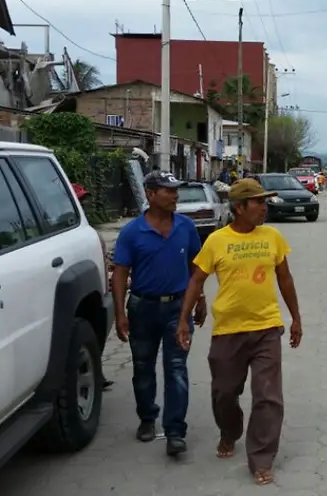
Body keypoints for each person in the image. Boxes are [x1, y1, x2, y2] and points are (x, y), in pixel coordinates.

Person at [177, 179, 302, 486]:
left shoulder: (272, 237)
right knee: (224, 393)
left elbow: (285, 279)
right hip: (228, 331)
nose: (264, 208)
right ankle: (230, 431)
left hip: (266, 328)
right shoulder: (216, 241)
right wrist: (183, 320)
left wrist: (296, 318)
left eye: (264, 202)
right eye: (258, 202)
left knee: (268, 397)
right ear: (239, 208)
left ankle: (261, 457)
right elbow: (196, 281)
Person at [112, 171, 207, 456]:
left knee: (176, 368)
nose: (175, 196)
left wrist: (200, 298)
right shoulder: (132, 232)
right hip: (143, 308)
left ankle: (175, 431)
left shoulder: (186, 227)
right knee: (143, 368)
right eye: (169, 190)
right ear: (151, 194)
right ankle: (147, 417)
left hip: (178, 308)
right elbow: (120, 274)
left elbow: (195, 267)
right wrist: (119, 313)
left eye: (176, 190)